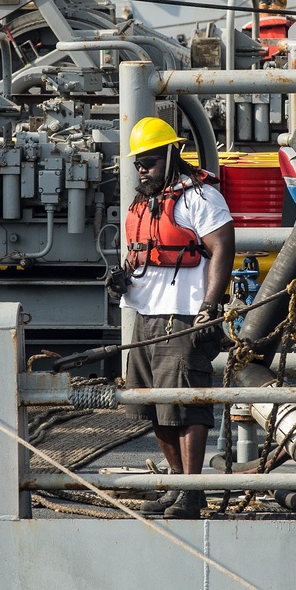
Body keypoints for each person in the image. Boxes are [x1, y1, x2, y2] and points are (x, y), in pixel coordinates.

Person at [111, 117, 235, 519]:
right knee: (153, 406)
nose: (142, 170)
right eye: (137, 164)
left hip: (183, 316)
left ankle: (192, 493)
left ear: (170, 154)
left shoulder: (200, 198)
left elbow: (223, 247)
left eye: (148, 162)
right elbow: (139, 252)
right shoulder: (144, 202)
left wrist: (209, 307)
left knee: (186, 405)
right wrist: (120, 279)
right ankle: (178, 483)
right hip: (145, 315)